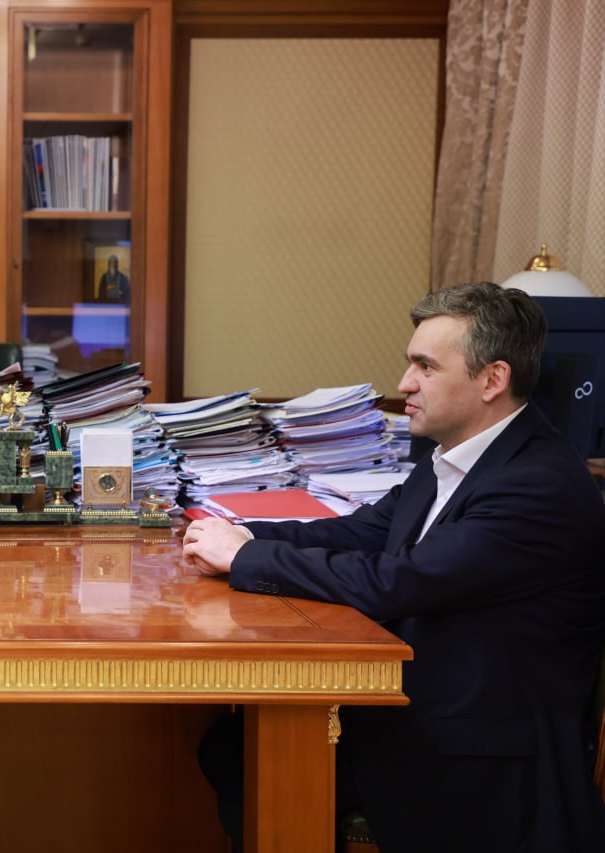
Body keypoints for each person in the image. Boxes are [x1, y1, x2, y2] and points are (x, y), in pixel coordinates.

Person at [182, 281, 605, 852]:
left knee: (255, 753)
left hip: (479, 752)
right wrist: (239, 533)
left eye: (425, 367)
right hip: (428, 703)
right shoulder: (454, 455)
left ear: (492, 380)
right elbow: (363, 532)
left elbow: (400, 581)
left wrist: (244, 557)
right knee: (234, 745)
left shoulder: (537, 484)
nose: (405, 383)